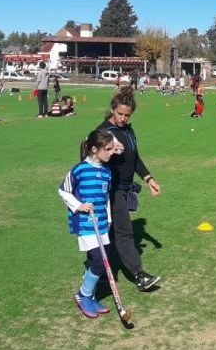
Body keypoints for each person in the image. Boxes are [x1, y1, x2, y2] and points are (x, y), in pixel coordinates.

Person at [96, 87, 162, 292]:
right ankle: (139, 275)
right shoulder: (103, 133)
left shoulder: (127, 130)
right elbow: (88, 156)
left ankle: (98, 272)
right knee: (124, 232)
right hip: (111, 190)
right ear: (112, 110)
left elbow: (135, 158)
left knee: (112, 233)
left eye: (127, 115)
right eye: (119, 114)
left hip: (124, 188)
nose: (123, 118)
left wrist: (148, 177)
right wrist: (109, 152)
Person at [57, 128, 123, 318]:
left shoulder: (106, 172)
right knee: (99, 261)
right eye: (108, 149)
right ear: (94, 149)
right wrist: (79, 205)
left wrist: (109, 219)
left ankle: (91, 297)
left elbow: (105, 199)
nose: (112, 153)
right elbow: (63, 191)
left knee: (95, 261)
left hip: (102, 223)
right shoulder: (79, 170)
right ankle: (83, 295)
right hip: (86, 224)